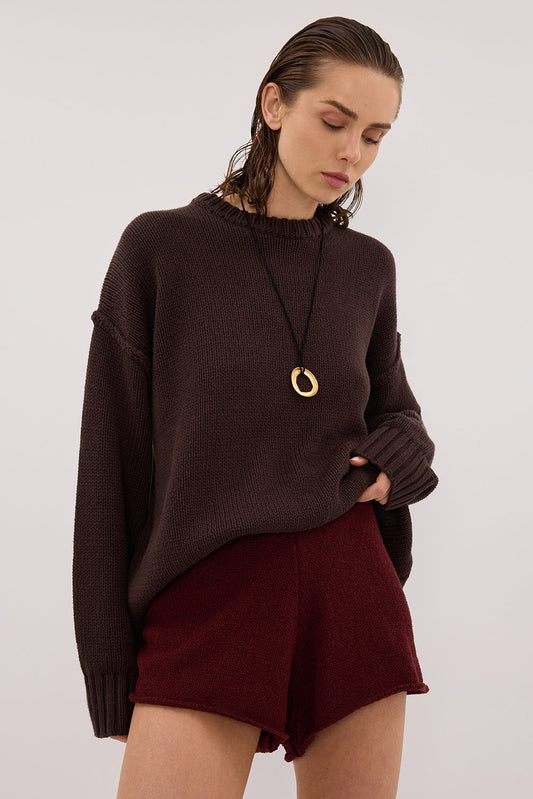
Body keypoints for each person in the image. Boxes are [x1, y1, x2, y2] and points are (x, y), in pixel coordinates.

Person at [72, 15, 439, 799]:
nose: (352, 152)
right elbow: (110, 466)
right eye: (334, 121)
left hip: (351, 596)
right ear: (274, 104)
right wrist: (109, 667)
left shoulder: (365, 267)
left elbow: (398, 414)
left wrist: (388, 468)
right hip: (209, 597)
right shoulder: (161, 250)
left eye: (374, 136)